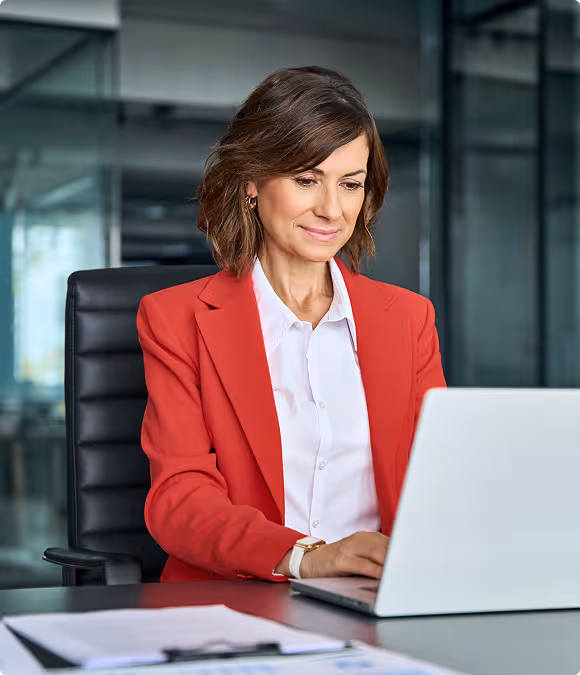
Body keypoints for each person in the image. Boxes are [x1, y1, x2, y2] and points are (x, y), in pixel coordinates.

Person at [136, 65, 446, 584]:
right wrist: (305, 556)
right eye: (307, 179)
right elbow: (179, 497)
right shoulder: (176, 320)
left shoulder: (410, 319)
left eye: (350, 184)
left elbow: (440, 478)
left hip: (378, 597)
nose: (331, 209)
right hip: (236, 603)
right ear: (253, 182)